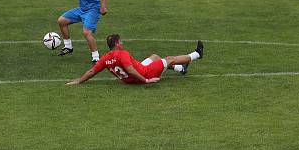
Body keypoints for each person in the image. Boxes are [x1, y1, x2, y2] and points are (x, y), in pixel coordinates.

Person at [66, 34, 203, 86]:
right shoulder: (122, 54)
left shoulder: (105, 58)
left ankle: (181, 69)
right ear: (117, 44)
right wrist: (146, 80)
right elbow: (131, 69)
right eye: (121, 41)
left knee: (154, 57)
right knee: (170, 59)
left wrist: (78, 81)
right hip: (144, 73)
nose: (122, 43)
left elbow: (91, 71)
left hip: (128, 80)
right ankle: (196, 54)